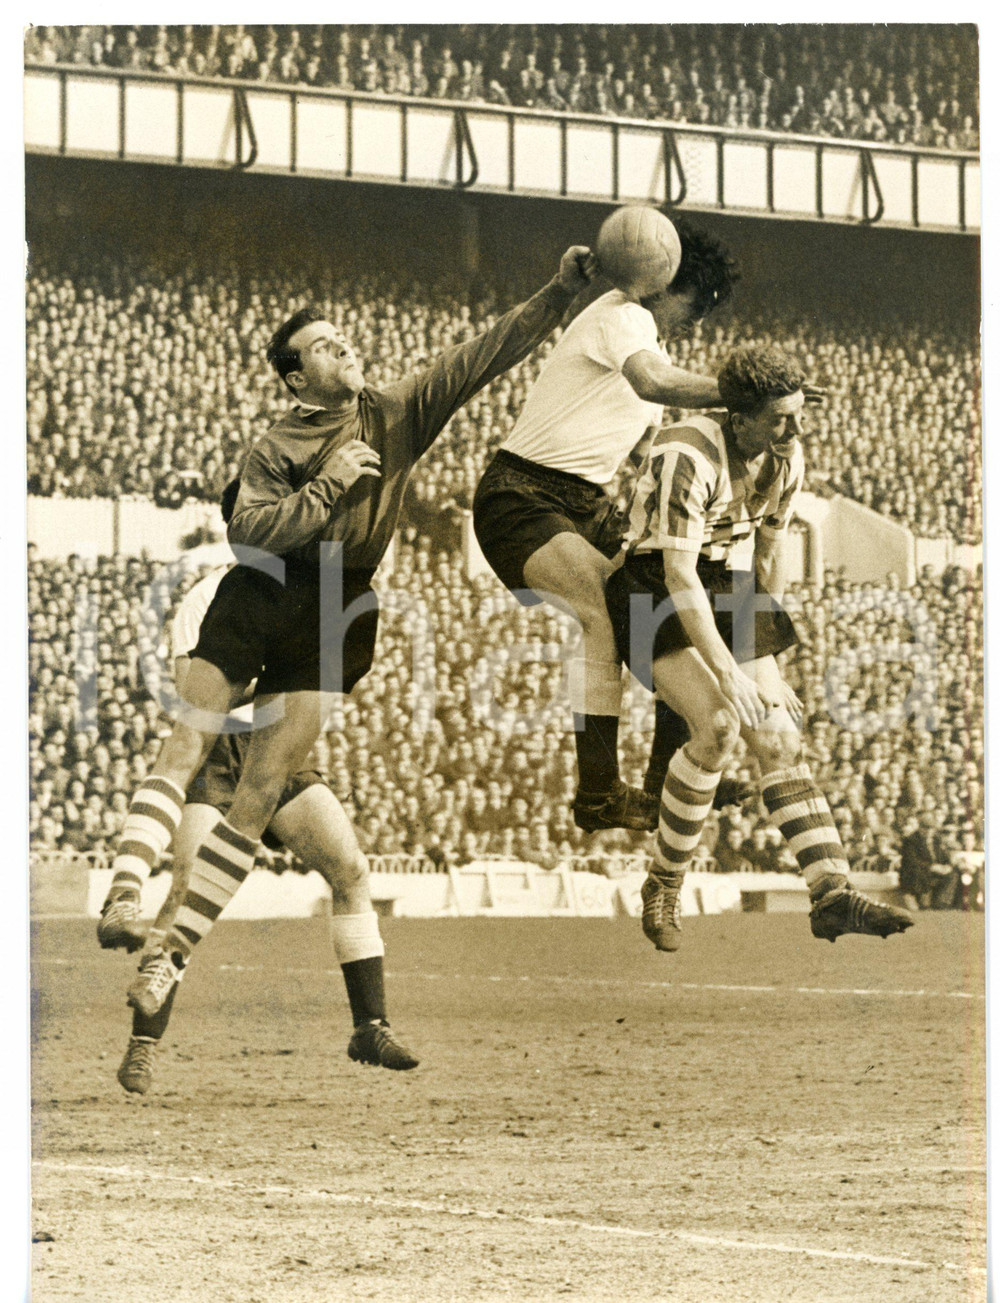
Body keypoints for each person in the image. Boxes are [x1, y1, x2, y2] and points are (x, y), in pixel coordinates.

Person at [98, 244, 596, 1016]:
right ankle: (125, 891)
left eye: (344, 337)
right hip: (265, 589)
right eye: (325, 345)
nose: (346, 346)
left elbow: (481, 355)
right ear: (297, 378)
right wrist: (330, 488)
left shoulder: (395, 411)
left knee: (262, 792)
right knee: (188, 738)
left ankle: (168, 956)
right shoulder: (274, 446)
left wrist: (559, 293)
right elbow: (252, 536)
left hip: (341, 603)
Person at [603, 343, 914, 950]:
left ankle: (831, 893)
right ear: (737, 418)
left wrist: (765, 663)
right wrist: (730, 674)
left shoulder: (785, 458)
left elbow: (767, 555)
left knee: (777, 735)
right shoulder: (685, 453)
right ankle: (664, 882)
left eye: (798, 415)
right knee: (719, 725)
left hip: (727, 583)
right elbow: (677, 576)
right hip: (650, 587)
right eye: (781, 418)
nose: (795, 429)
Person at [117, 481, 418, 1094]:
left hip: (278, 753)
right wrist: (280, 680)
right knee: (186, 890)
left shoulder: (310, 594)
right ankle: (144, 1044)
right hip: (222, 755)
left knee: (351, 869)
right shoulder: (213, 595)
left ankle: (370, 1025)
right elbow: (194, 694)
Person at [473, 217, 746, 835]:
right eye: (696, 305)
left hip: (584, 503)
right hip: (521, 494)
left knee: (663, 600)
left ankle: (662, 777)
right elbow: (653, 382)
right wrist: (745, 393)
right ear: (667, 283)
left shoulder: (644, 341)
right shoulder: (625, 316)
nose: (697, 322)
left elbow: (650, 444)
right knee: (603, 609)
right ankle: (596, 793)